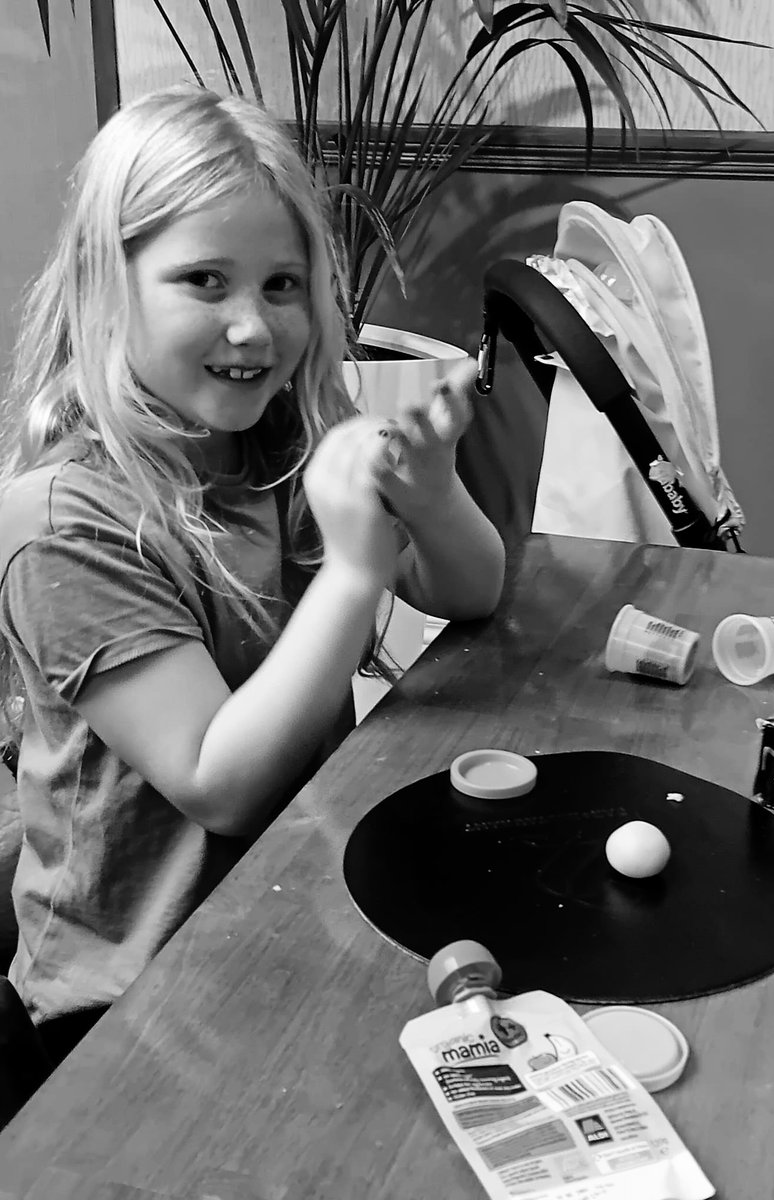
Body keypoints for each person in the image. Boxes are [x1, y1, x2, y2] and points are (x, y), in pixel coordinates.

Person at [0, 85, 505, 1068]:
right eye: (204, 281)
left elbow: (470, 591)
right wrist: (356, 566)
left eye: (281, 285)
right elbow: (218, 781)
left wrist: (433, 493)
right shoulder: (63, 525)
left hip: (294, 904)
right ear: (109, 286)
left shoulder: (276, 444)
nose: (253, 328)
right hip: (127, 1003)